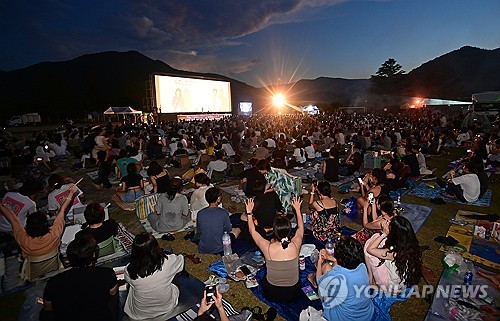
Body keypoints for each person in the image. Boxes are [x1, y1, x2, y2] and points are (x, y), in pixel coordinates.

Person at [1, 185, 77, 280]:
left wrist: (2, 205)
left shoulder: (23, 238)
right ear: (45, 224)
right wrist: (71, 193)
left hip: (32, 274)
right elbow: (62, 211)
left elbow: (12, 218)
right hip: (54, 269)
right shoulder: (55, 233)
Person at [41, 234, 119, 321]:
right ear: (93, 255)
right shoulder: (106, 273)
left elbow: (48, 307)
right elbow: (113, 292)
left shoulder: (54, 282)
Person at [245, 196, 304, 302]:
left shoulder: (268, 247)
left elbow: (252, 231)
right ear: (289, 230)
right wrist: (298, 210)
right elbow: (300, 227)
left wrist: (249, 212)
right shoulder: (296, 244)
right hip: (293, 292)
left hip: (273, 292)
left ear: (275, 231)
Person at [124, 232, 184, 321]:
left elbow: (128, 281)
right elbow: (181, 261)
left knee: (132, 287)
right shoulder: (168, 261)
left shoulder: (129, 269)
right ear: (156, 247)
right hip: (166, 307)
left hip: (140, 313)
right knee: (173, 273)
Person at [315, 237, 374, 321]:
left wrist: (319, 262)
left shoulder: (338, 275)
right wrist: (332, 258)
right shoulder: (362, 266)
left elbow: (318, 281)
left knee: (325, 267)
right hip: (365, 314)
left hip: (344, 317)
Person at [364, 216, 422, 294]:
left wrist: (383, 234)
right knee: (376, 240)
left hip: (392, 287)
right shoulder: (410, 243)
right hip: (401, 277)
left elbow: (370, 249)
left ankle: (371, 281)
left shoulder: (394, 253)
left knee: (368, 246)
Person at [197, 187, 240, 254]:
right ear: (218, 198)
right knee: (237, 229)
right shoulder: (223, 213)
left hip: (203, 247)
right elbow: (227, 230)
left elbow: (199, 231)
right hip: (219, 247)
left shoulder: (200, 213)